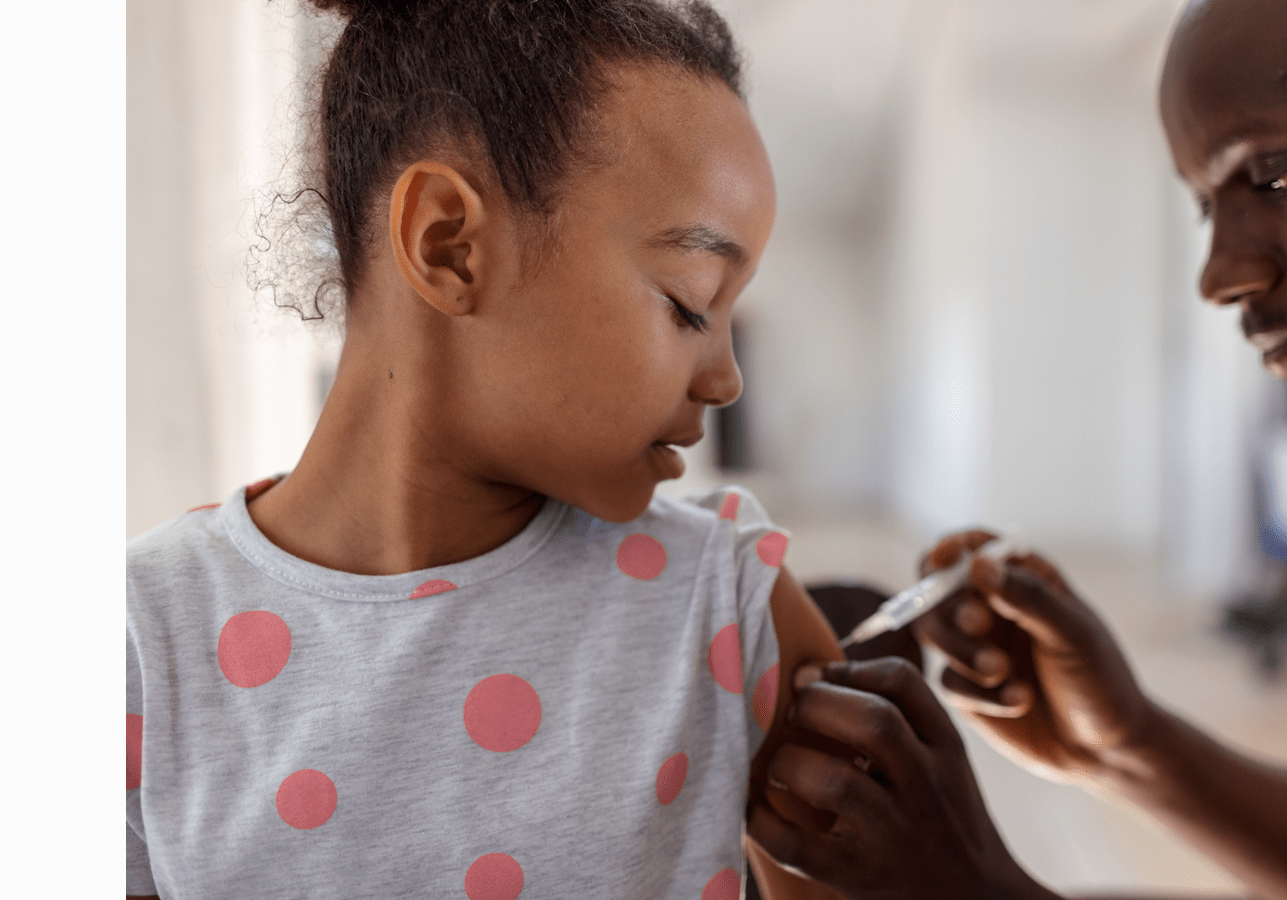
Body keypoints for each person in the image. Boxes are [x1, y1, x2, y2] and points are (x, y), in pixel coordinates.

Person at [746, 0, 1287, 898]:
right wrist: (1125, 743)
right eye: (1207, 207)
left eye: (1278, 176)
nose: (1221, 275)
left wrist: (974, 888)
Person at [124, 1, 851, 897]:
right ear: (449, 245)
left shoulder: (728, 605)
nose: (725, 379)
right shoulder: (139, 639)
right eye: (691, 301)